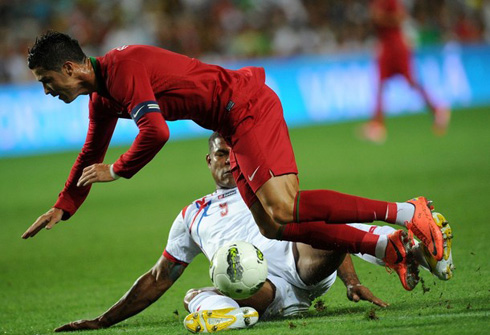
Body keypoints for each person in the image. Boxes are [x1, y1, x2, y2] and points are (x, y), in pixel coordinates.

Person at [23, 31, 448, 291]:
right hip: (228, 123)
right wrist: (65, 204)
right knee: (272, 224)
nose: (47, 90)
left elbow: (157, 132)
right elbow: (89, 153)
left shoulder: (124, 68)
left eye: (47, 81)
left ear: (70, 67)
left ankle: (409, 212)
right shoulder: (101, 97)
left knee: (284, 205)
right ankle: (385, 246)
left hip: (244, 106)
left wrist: (118, 170)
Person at [53, 133, 453, 333]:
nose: (228, 160)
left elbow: (316, 226)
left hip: (302, 266)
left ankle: (409, 248)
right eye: (220, 154)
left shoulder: (267, 187)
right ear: (208, 161)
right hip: (258, 289)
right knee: (194, 291)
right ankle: (235, 314)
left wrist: (350, 282)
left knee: (316, 224)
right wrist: (103, 321)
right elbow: (159, 277)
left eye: (233, 151)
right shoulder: (192, 214)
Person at [360, 0, 451, 143]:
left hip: (396, 46)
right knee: (380, 85)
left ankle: (437, 109)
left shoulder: (390, 1)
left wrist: (381, 18)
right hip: (385, 45)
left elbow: (401, 17)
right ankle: (378, 125)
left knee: (410, 81)